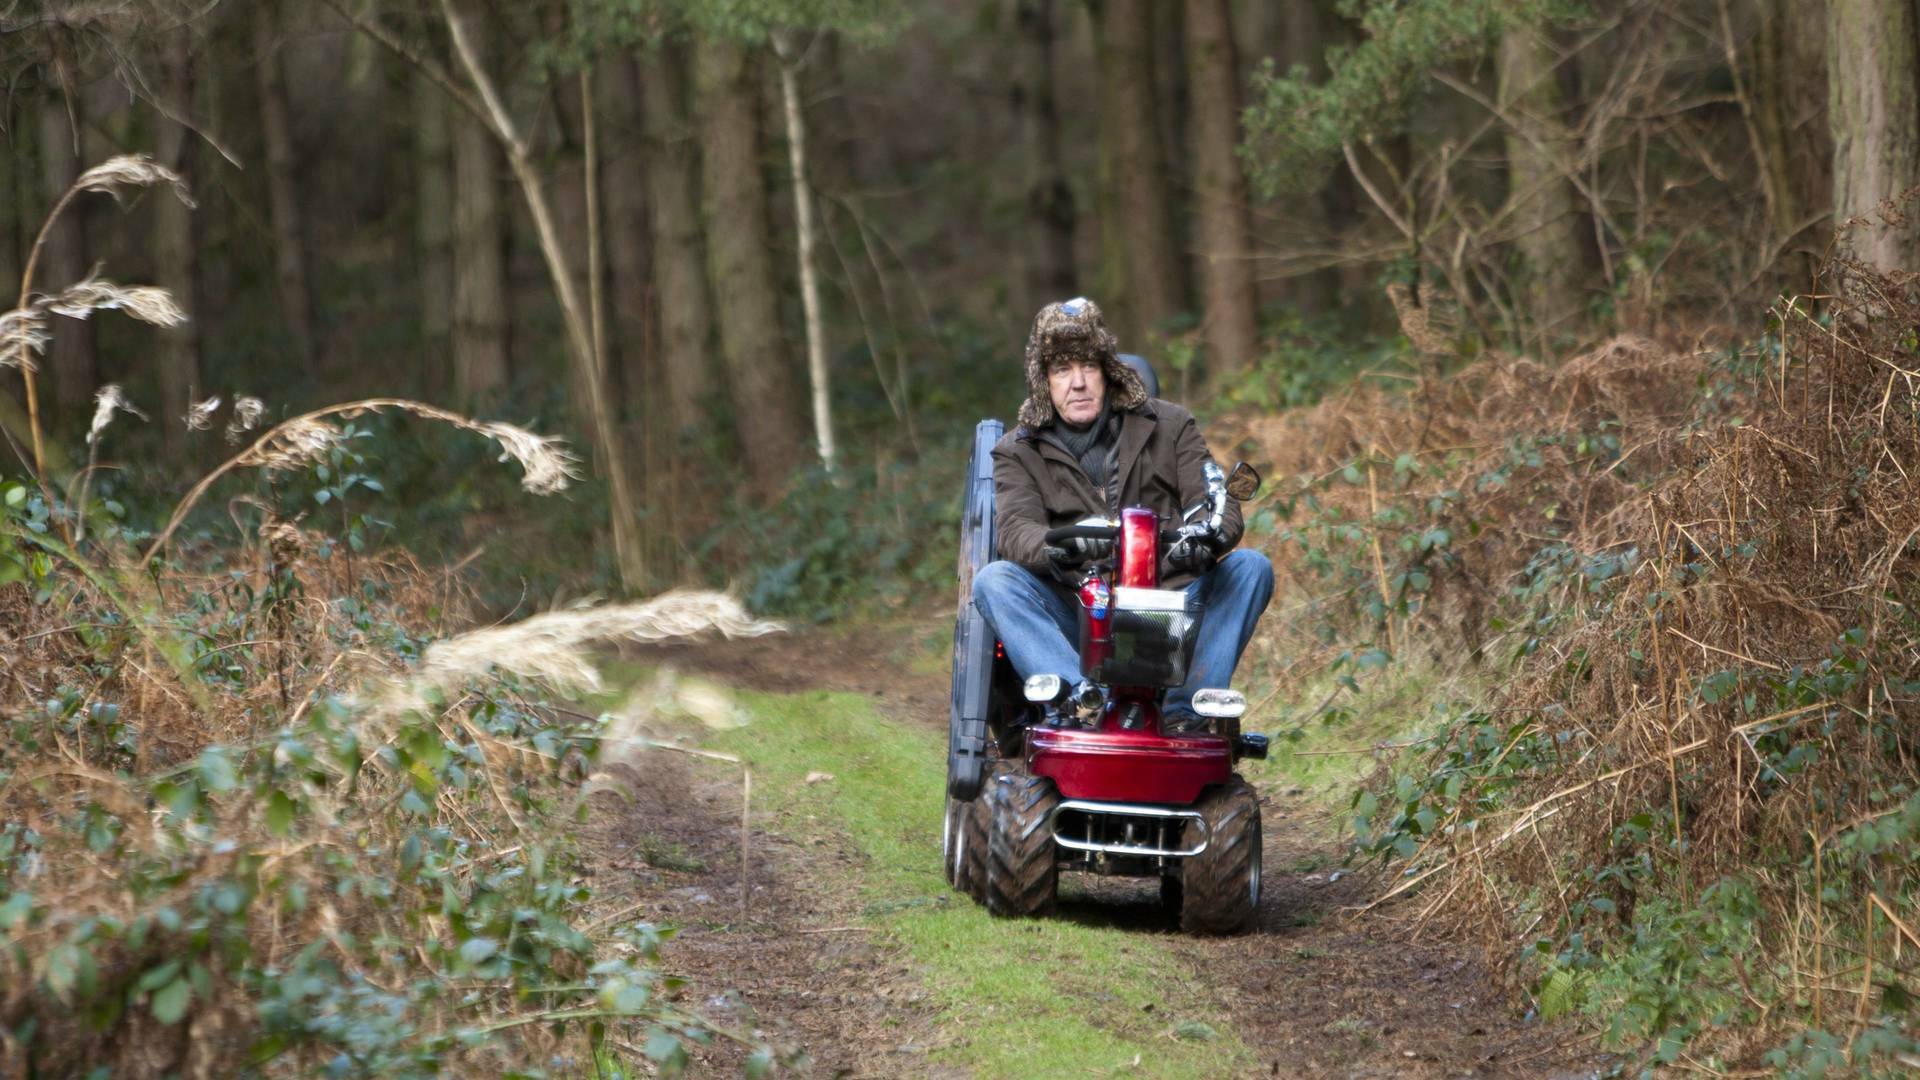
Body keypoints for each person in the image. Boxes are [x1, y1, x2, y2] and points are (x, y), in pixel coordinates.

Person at [971, 297, 1273, 731]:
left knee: (1251, 568)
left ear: (1107, 371)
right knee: (994, 580)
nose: (1078, 383)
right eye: (1062, 370)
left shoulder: (1171, 425)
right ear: (1044, 382)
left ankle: (1185, 712)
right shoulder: (1017, 451)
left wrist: (1207, 536)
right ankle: (1081, 698)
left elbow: (1213, 502)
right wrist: (1063, 544)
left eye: (1088, 367)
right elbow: (1016, 531)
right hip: (1080, 609)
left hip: (1172, 607)